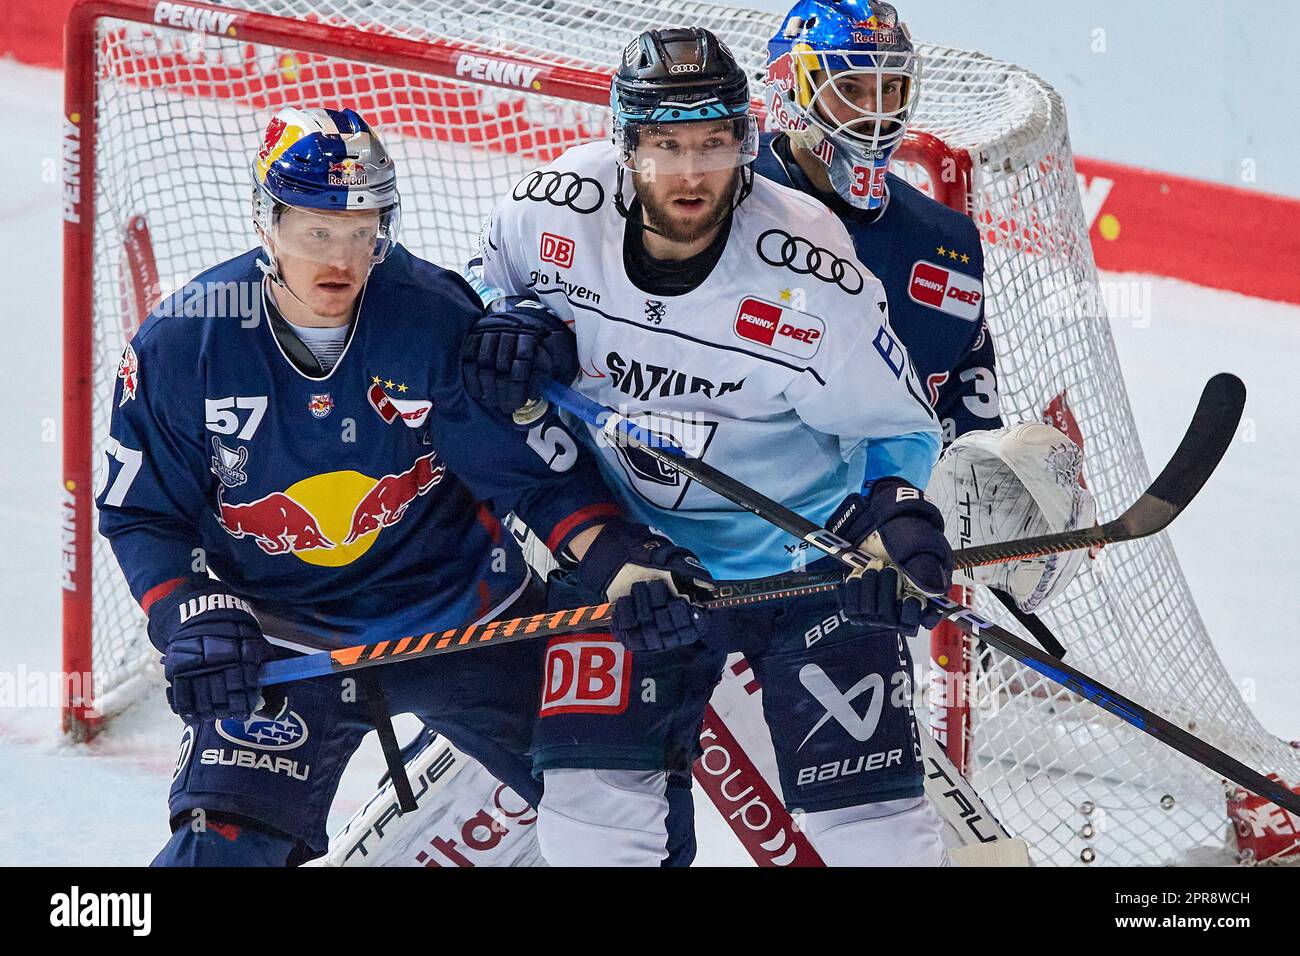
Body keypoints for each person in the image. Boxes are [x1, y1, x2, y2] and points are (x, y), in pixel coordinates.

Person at [96, 106, 707, 866]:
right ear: (268, 220)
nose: (344, 257)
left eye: (363, 230)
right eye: (319, 229)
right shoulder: (184, 343)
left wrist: (618, 556)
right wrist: (187, 613)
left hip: (469, 621)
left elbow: (524, 471)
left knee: (637, 820)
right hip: (291, 637)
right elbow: (140, 514)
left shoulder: (428, 316)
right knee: (216, 851)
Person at [461, 26, 955, 866]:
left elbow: (900, 424)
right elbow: (478, 303)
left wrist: (894, 519)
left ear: (745, 141)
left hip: (808, 560)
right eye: (664, 146)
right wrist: (506, 331)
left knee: (883, 846)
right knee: (585, 830)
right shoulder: (546, 214)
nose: (690, 174)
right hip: (636, 562)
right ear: (625, 144)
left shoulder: (808, 267)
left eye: (714, 144)